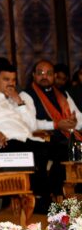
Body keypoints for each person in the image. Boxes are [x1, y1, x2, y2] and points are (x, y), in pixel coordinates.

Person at [0, 58, 50, 213]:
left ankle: (46, 198)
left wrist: (19, 101)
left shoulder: (16, 100)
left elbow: (32, 126)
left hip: (27, 141)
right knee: (35, 150)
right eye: (6, 79)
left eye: (13, 80)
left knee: (60, 151)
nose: (11, 84)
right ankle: (40, 200)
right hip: (6, 145)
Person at [21, 59, 80, 202]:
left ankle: (66, 192)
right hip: (42, 139)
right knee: (65, 150)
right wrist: (55, 125)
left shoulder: (63, 94)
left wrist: (74, 122)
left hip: (66, 137)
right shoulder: (27, 95)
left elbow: (78, 116)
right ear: (34, 75)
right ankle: (55, 193)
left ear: (54, 76)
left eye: (48, 73)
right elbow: (30, 124)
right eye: (40, 73)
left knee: (71, 148)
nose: (44, 76)